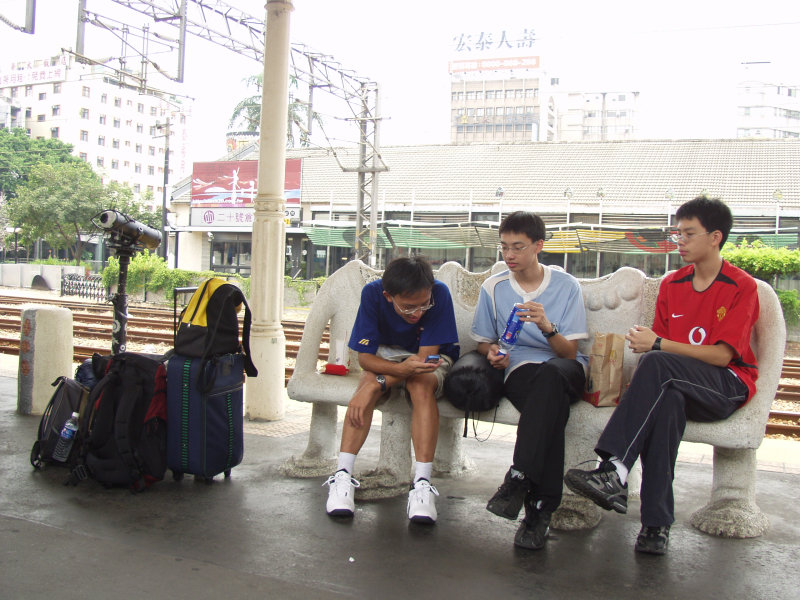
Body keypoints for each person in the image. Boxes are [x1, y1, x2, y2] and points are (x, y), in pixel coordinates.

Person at [564, 196, 759, 555]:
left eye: (688, 233)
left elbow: (720, 355)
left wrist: (658, 344)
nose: (679, 241)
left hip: (725, 386)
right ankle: (655, 524)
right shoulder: (673, 285)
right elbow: (661, 350)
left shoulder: (741, 286)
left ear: (715, 237)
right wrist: (654, 346)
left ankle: (614, 468)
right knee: (666, 401)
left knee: (657, 363)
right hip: (676, 383)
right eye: (677, 233)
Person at [471, 211, 588, 550]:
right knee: (550, 412)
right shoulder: (494, 287)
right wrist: (492, 352)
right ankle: (538, 511)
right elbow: (482, 340)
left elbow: (569, 355)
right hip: (519, 369)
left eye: (518, 247)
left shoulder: (566, 286)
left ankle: (520, 479)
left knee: (551, 378)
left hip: (564, 369)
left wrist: (547, 326)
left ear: (539, 246)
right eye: (504, 247)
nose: (509, 255)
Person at [324, 255, 460, 523]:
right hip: (387, 355)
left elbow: (422, 362)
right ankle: (342, 476)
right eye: (409, 308)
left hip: (430, 359)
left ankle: (422, 484)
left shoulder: (439, 294)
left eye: (424, 305)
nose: (418, 313)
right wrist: (375, 381)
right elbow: (365, 358)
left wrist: (379, 382)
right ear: (389, 296)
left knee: (420, 386)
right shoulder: (372, 294)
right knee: (364, 390)